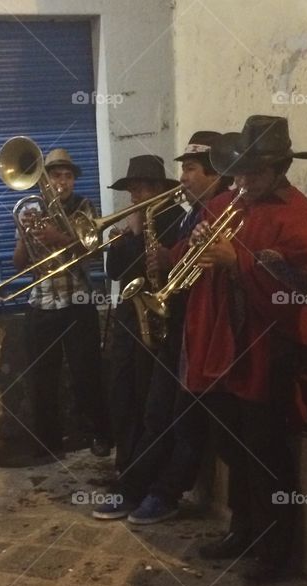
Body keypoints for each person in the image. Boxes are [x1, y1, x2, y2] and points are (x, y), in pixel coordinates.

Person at [187, 116, 307, 585]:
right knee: (231, 443)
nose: (242, 182)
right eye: (238, 171)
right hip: (222, 342)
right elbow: (197, 260)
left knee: (265, 451)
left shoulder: (296, 212)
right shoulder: (226, 202)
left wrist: (239, 261)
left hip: (267, 348)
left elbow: (306, 286)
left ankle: (276, 551)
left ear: (279, 168)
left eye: (253, 173)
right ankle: (242, 528)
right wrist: (196, 246)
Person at [93, 132, 231, 524]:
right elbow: (115, 271)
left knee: (181, 419)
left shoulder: (206, 212)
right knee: (154, 411)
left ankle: (162, 492)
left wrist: (163, 257)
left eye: (189, 169)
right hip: (171, 325)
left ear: (213, 173)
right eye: (183, 169)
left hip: (195, 329)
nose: (183, 177)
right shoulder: (191, 213)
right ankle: (135, 487)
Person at [12, 147, 111, 458]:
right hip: (41, 302)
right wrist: (24, 233)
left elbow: (94, 253)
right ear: (44, 179)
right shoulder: (32, 211)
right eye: (56, 175)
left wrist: (59, 238)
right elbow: (19, 265)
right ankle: (47, 443)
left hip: (78, 300)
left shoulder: (84, 207)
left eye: (68, 176)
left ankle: (99, 434)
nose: (63, 182)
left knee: (87, 373)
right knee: (42, 378)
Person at [102, 155, 181, 473]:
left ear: (159, 189)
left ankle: (146, 468)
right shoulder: (133, 222)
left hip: (157, 318)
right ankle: (125, 459)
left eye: (140, 190)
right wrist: (120, 239)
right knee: (119, 387)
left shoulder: (176, 219)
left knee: (145, 391)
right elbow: (114, 271)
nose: (133, 198)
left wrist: (135, 236)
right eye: (131, 191)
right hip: (127, 315)